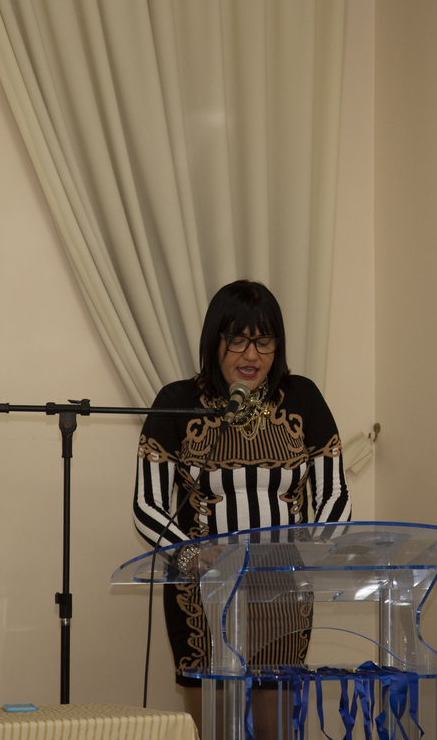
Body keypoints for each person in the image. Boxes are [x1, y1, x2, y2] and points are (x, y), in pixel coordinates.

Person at [133, 280, 352, 735]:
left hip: (283, 592)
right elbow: (147, 505)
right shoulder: (177, 403)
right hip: (201, 595)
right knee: (214, 729)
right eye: (237, 339)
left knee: (276, 730)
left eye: (264, 341)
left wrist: (310, 553)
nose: (251, 355)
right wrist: (193, 555)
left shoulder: (303, 398)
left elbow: (335, 495)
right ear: (214, 341)